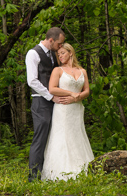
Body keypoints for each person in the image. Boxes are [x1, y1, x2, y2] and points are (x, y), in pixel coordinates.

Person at [41, 43, 94, 181]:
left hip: (76, 108)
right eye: (58, 54)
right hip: (63, 109)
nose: (60, 56)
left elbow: (87, 91)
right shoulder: (57, 70)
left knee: (78, 134)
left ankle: (83, 168)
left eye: (63, 53)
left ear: (70, 53)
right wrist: (71, 94)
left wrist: (77, 98)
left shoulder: (82, 71)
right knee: (63, 136)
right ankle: (61, 172)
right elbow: (52, 89)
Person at [25, 27, 68, 182]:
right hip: (41, 102)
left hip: (53, 102)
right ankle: (33, 177)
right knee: (40, 138)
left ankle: (48, 174)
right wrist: (50, 96)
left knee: (53, 137)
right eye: (59, 43)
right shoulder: (33, 54)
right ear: (51, 40)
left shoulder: (52, 54)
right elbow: (32, 81)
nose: (61, 46)